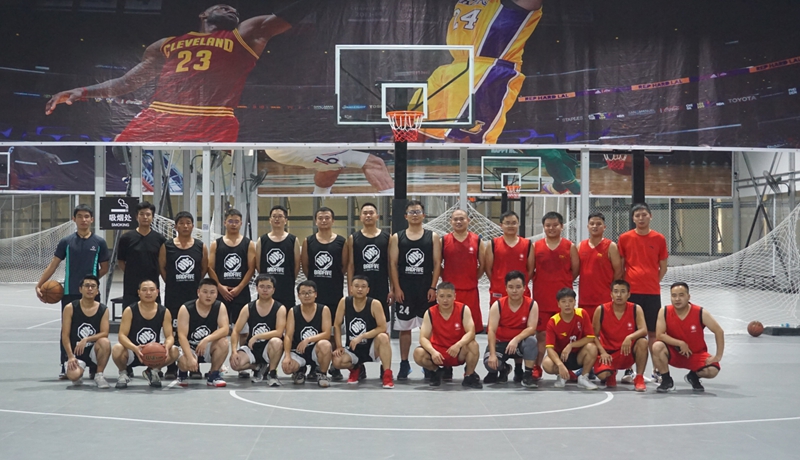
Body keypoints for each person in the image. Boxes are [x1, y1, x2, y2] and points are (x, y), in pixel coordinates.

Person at [45, 3, 318, 142]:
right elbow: (128, 82)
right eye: (222, 6)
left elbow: (286, 16)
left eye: (233, 10)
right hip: (163, 114)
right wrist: (82, 91)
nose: (230, 9)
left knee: (210, 184)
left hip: (213, 117)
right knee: (121, 152)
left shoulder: (245, 35)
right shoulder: (166, 44)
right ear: (203, 15)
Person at [415, 0, 544, 143]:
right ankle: (398, 156)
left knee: (463, 139)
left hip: (488, 69)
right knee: (412, 126)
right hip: (454, 67)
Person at [36, 204, 109, 379]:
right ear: (74, 219)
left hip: (91, 294)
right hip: (69, 292)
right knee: (67, 330)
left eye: (87, 216)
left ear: (92, 219)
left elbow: (105, 267)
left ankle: (93, 365)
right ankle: (66, 363)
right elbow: (53, 264)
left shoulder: (99, 242)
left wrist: (90, 284)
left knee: (94, 329)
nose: (84, 220)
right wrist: (40, 284)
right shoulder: (66, 242)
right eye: (80, 216)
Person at [389, 200, 442, 380]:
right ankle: (404, 364)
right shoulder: (397, 237)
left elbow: (437, 263)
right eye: (411, 212)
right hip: (405, 289)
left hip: (425, 288)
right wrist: (396, 288)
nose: (414, 215)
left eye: (418, 212)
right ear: (405, 216)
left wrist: (433, 287)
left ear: (423, 215)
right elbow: (393, 264)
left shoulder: (432, 236)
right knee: (404, 328)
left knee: (427, 328)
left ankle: (428, 362)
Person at [617, 203, 668, 383]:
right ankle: (629, 370)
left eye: (644, 214)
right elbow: (620, 265)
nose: (641, 218)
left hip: (652, 293)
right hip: (631, 294)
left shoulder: (659, 238)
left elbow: (663, 266)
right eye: (637, 215)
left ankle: (657, 370)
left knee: (653, 333)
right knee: (632, 332)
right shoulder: (625, 238)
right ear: (633, 218)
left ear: (650, 216)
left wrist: (653, 281)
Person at [158, 211, 208, 379]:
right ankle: (171, 366)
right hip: (173, 295)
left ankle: (194, 365)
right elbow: (162, 267)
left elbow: (203, 268)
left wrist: (194, 283)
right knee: (172, 331)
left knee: (193, 331)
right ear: (175, 226)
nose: (185, 226)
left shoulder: (200, 246)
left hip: (193, 296)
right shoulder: (167, 246)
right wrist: (172, 281)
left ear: (193, 226)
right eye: (181, 223)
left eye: (188, 223)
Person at [301, 206, 348, 381]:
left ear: (333, 220)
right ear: (316, 221)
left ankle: (335, 366)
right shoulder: (308, 241)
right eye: (320, 218)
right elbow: (306, 267)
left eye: (327, 217)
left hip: (334, 292)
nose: (323, 221)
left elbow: (344, 266)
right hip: (316, 295)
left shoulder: (341, 241)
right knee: (316, 330)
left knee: (334, 331)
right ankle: (316, 365)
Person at [532, 211, 579, 380]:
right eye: (548, 225)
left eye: (555, 225)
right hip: (542, 298)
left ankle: (566, 368)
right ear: (543, 227)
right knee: (542, 336)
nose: (551, 228)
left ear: (562, 226)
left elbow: (575, 270)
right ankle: (536, 367)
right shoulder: (536, 246)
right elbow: (530, 270)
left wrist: (562, 283)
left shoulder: (569, 246)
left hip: (564, 300)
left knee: (564, 336)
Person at [652, 283, 724, 393]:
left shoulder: (700, 312)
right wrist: (680, 343)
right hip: (674, 354)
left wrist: (718, 356)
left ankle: (693, 376)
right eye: (674, 295)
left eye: (681, 295)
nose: (677, 299)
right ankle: (666, 380)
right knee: (657, 346)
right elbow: (659, 335)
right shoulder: (664, 311)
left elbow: (719, 331)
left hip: (695, 354)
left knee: (712, 370)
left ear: (688, 297)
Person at [413, 282, 482, 389]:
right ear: (437, 297)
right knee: (418, 353)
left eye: (449, 296)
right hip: (438, 353)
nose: (445, 300)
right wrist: (433, 352)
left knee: (473, 345)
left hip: (458, 352)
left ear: (455, 296)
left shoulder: (463, 309)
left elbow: (471, 332)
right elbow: (423, 338)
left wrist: (458, 344)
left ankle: (469, 375)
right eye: (442, 296)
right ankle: (436, 371)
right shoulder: (430, 312)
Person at [112, 280, 179, 389]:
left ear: (157, 292)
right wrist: (134, 348)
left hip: (153, 353)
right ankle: (123, 373)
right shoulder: (130, 310)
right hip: (134, 351)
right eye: (144, 290)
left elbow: (170, 336)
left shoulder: (164, 311)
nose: (148, 293)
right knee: (117, 349)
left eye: (152, 290)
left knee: (174, 350)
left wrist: (166, 346)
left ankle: (152, 371)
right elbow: (122, 336)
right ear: (139, 292)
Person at [331, 275, 394, 388]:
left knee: (383, 337)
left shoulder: (375, 304)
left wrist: (362, 336)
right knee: (337, 360)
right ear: (351, 288)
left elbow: (382, 327)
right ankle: (356, 369)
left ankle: (387, 374)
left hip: (372, 347)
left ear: (368, 289)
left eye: (363, 286)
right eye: (356, 286)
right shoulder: (344, 302)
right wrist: (339, 346)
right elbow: (337, 324)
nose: (360, 289)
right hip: (353, 347)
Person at [484, 271, 538, 388]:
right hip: (501, 343)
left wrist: (516, 339)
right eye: (511, 287)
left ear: (524, 288)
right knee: (489, 364)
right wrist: (492, 354)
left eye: (518, 287)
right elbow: (491, 330)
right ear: (506, 288)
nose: (514, 291)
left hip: (519, 344)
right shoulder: (497, 305)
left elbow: (532, 328)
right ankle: (504, 369)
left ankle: (527, 375)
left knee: (532, 341)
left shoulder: (532, 304)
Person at [230, 274, 287, 387]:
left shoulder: (280, 308)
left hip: (269, 347)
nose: (265, 290)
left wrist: (257, 336)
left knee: (277, 341)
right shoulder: (248, 307)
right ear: (256, 288)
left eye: (268, 287)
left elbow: (279, 332)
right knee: (235, 364)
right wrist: (234, 351)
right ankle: (258, 367)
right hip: (252, 348)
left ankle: (272, 373)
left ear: (273, 290)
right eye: (262, 286)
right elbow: (236, 331)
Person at [592, 280, 648, 392]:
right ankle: (611, 373)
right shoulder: (601, 310)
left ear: (629, 294)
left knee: (643, 342)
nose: (619, 295)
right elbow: (593, 335)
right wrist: (602, 352)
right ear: (611, 294)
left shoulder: (636, 308)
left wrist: (629, 337)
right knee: (603, 375)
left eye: (623, 291)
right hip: (608, 354)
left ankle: (639, 378)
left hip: (627, 352)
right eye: (616, 291)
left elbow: (644, 330)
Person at [263, 148, 394, 195]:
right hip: (290, 148)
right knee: (375, 163)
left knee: (332, 167)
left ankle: (319, 198)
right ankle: (396, 205)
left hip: (274, 147)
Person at [208, 208, 256, 332]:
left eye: (236, 221)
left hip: (241, 292)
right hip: (221, 292)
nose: (233, 224)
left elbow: (251, 269)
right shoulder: (216, 244)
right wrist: (219, 287)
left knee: (243, 330)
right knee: (220, 329)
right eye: (230, 221)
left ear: (241, 223)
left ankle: (241, 346)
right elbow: (210, 268)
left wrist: (239, 288)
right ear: (225, 223)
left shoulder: (249, 244)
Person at [175, 279, 230, 388]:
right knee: (186, 362)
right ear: (198, 292)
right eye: (205, 292)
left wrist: (206, 339)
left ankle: (213, 375)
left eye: (212, 292)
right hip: (189, 346)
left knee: (224, 342)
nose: (208, 295)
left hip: (206, 347)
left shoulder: (220, 306)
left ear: (216, 294)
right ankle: (182, 371)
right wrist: (190, 357)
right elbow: (181, 336)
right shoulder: (186, 308)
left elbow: (225, 329)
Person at [60, 275, 111, 388]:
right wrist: (70, 356)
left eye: (93, 286)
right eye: (87, 286)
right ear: (80, 289)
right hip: (76, 352)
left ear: (97, 291)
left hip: (93, 351)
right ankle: (79, 371)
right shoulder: (70, 308)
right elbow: (65, 335)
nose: (90, 289)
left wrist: (86, 339)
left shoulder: (103, 309)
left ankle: (99, 375)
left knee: (105, 342)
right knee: (73, 376)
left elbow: (104, 333)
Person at [541, 288, 598, 390]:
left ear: (575, 302)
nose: (567, 305)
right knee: (546, 363)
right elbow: (549, 348)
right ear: (558, 304)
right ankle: (562, 375)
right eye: (563, 302)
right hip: (561, 357)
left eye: (570, 301)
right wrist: (560, 365)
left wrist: (571, 345)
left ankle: (583, 377)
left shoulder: (582, 313)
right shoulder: (553, 321)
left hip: (578, 355)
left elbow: (590, 337)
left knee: (592, 348)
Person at [281, 281, 333, 388]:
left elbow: (327, 334)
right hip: (299, 350)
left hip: (315, 350)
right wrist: (287, 356)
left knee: (325, 344)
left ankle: (322, 374)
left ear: (316, 294)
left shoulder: (323, 309)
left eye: (310, 292)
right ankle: (300, 370)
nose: (307, 295)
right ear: (298, 295)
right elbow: (288, 336)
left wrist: (308, 339)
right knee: (287, 368)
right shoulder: (293, 311)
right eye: (303, 293)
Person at [347, 202, 392, 323]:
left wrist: (392, 288)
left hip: (381, 287)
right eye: (365, 213)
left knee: (382, 323)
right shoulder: (353, 238)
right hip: (360, 288)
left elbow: (390, 265)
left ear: (377, 216)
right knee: (360, 322)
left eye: (371, 213)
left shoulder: (387, 237)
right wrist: (350, 287)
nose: (368, 216)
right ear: (360, 217)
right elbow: (350, 265)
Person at [441, 209, 484, 334]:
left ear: (468, 220)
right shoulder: (443, 241)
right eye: (455, 219)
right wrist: (446, 278)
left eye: (462, 219)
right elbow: (438, 265)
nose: (458, 222)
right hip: (450, 292)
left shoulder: (477, 240)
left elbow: (483, 265)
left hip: (470, 292)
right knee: (450, 330)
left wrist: (472, 277)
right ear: (451, 221)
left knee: (470, 330)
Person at [118, 201, 166, 308]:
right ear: (136, 216)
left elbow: (162, 262)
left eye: (148, 214)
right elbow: (121, 261)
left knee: (154, 313)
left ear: (152, 217)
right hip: (131, 285)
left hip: (152, 283)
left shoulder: (160, 239)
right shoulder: (126, 238)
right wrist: (131, 273)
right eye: (142, 214)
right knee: (130, 313)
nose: (145, 217)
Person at [578, 212, 622, 321]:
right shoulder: (580, 246)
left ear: (604, 227)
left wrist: (611, 290)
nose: (595, 226)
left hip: (604, 298)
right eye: (592, 224)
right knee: (586, 329)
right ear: (588, 227)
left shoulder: (611, 246)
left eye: (598, 224)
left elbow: (618, 271)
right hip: (585, 298)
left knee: (603, 328)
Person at [256, 205, 300, 308]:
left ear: (286, 220)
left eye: (280, 216)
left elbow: (297, 265)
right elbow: (258, 265)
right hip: (266, 290)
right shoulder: (262, 240)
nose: (277, 219)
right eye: (274, 216)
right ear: (269, 220)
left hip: (286, 290)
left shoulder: (293, 240)